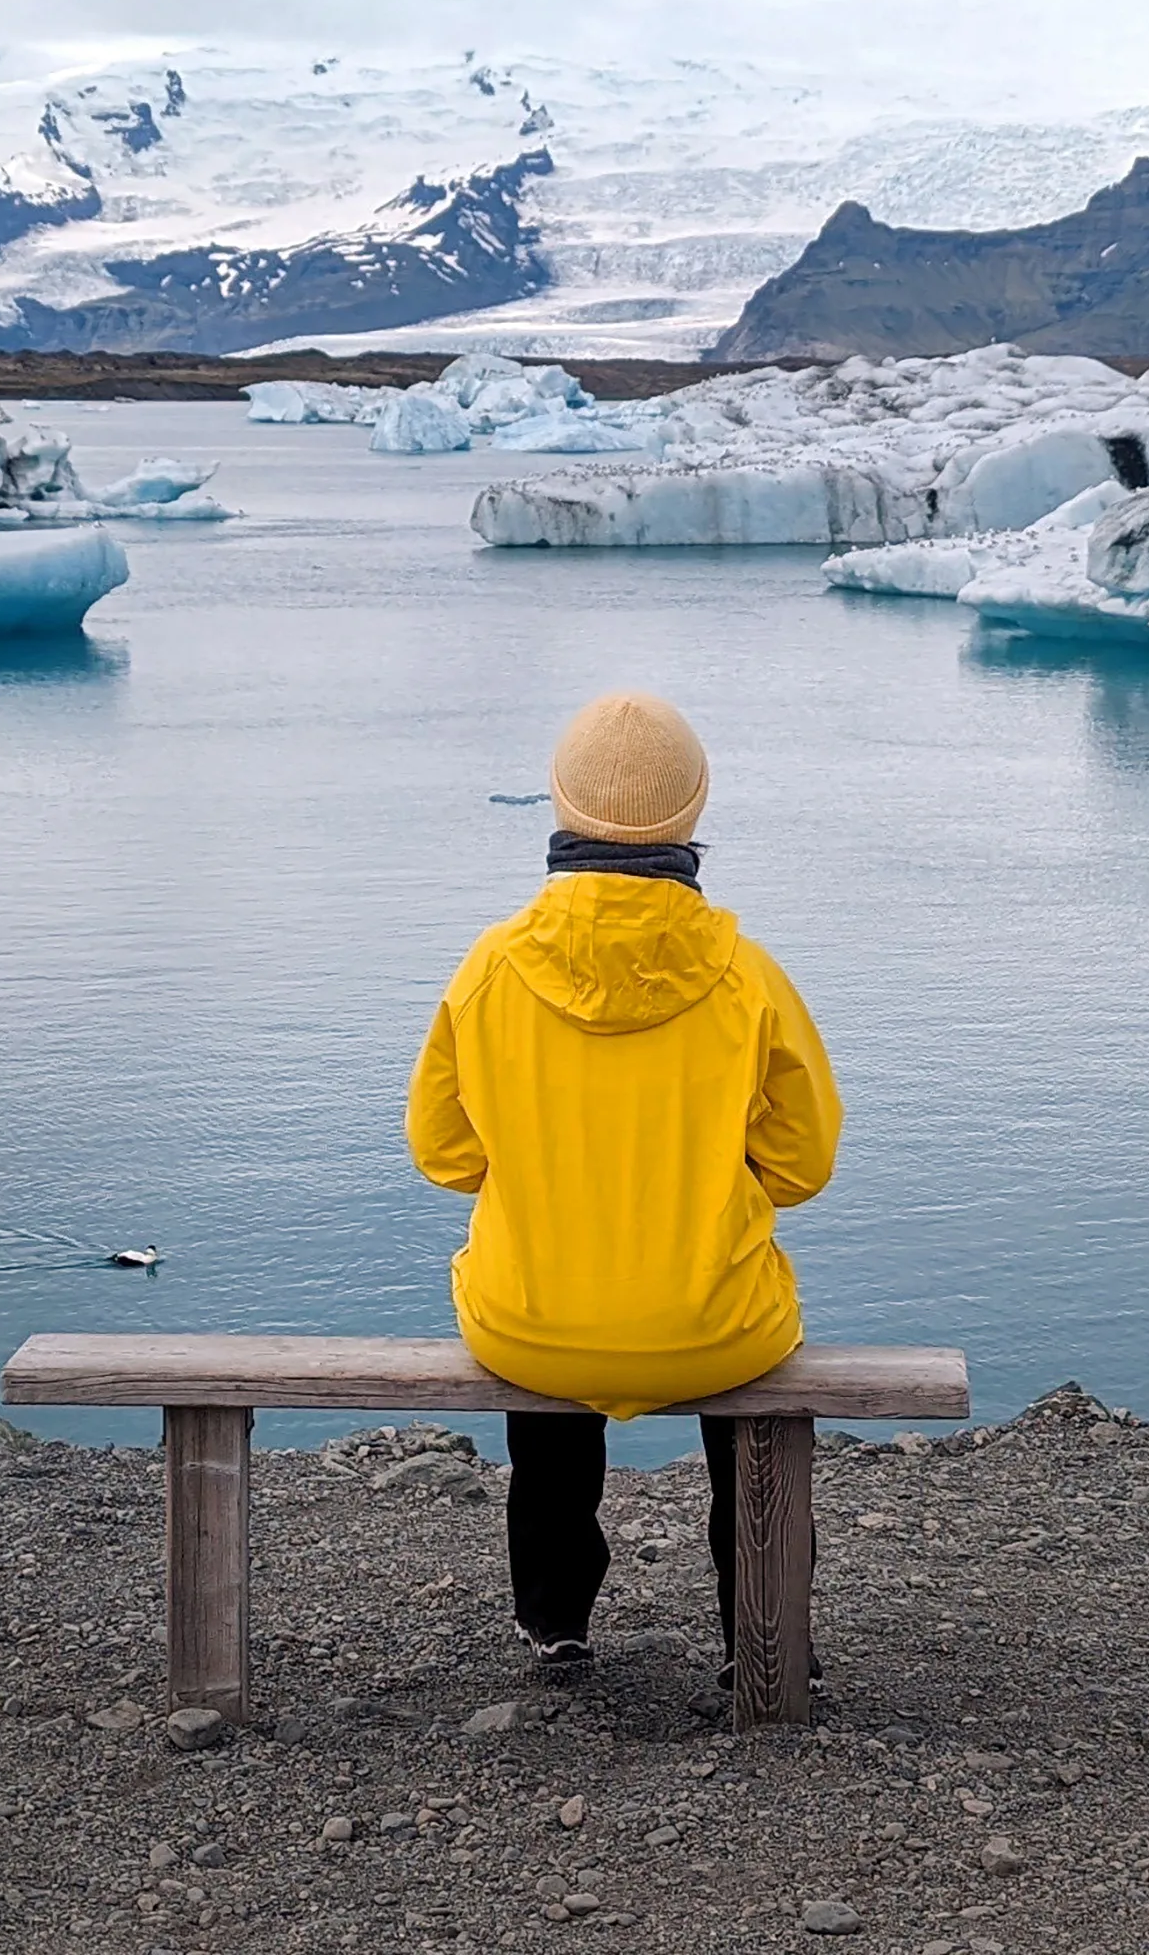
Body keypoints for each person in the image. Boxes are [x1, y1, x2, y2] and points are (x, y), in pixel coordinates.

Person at [405, 690, 841, 1667]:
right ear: (692, 812)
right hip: (712, 1325)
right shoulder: (747, 974)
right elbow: (805, 1162)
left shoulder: (490, 968)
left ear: (560, 808)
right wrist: (709, 1190)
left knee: (543, 1318)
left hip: (533, 1324)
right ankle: (759, 1634)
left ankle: (555, 1617)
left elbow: (442, 1155)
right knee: (737, 1359)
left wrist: (545, 1178)